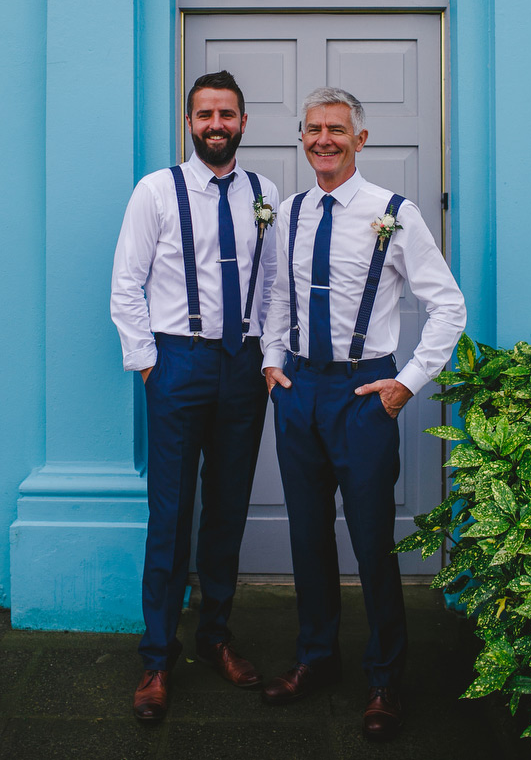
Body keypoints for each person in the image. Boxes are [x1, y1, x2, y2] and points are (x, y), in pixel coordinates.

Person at [260, 87, 466, 741]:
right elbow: (275, 295)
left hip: (362, 396)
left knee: (373, 541)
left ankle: (384, 679)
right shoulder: (288, 213)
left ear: (360, 139)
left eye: (337, 129)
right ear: (302, 136)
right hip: (299, 392)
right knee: (308, 536)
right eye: (314, 129)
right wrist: (271, 362)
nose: (324, 139)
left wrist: (405, 383)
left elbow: (448, 306)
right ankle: (316, 660)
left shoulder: (394, 213)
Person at [111, 70, 279, 722]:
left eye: (227, 114)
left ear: (242, 121)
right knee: (171, 513)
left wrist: (268, 356)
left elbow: (271, 284)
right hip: (176, 363)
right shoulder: (156, 190)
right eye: (205, 113)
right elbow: (127, 282)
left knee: (228, 508)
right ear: (190, 122)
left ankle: (215, 638)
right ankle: (157, 657)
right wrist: (151, 365)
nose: (216, 124)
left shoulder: (265, 192)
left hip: (242, 367)